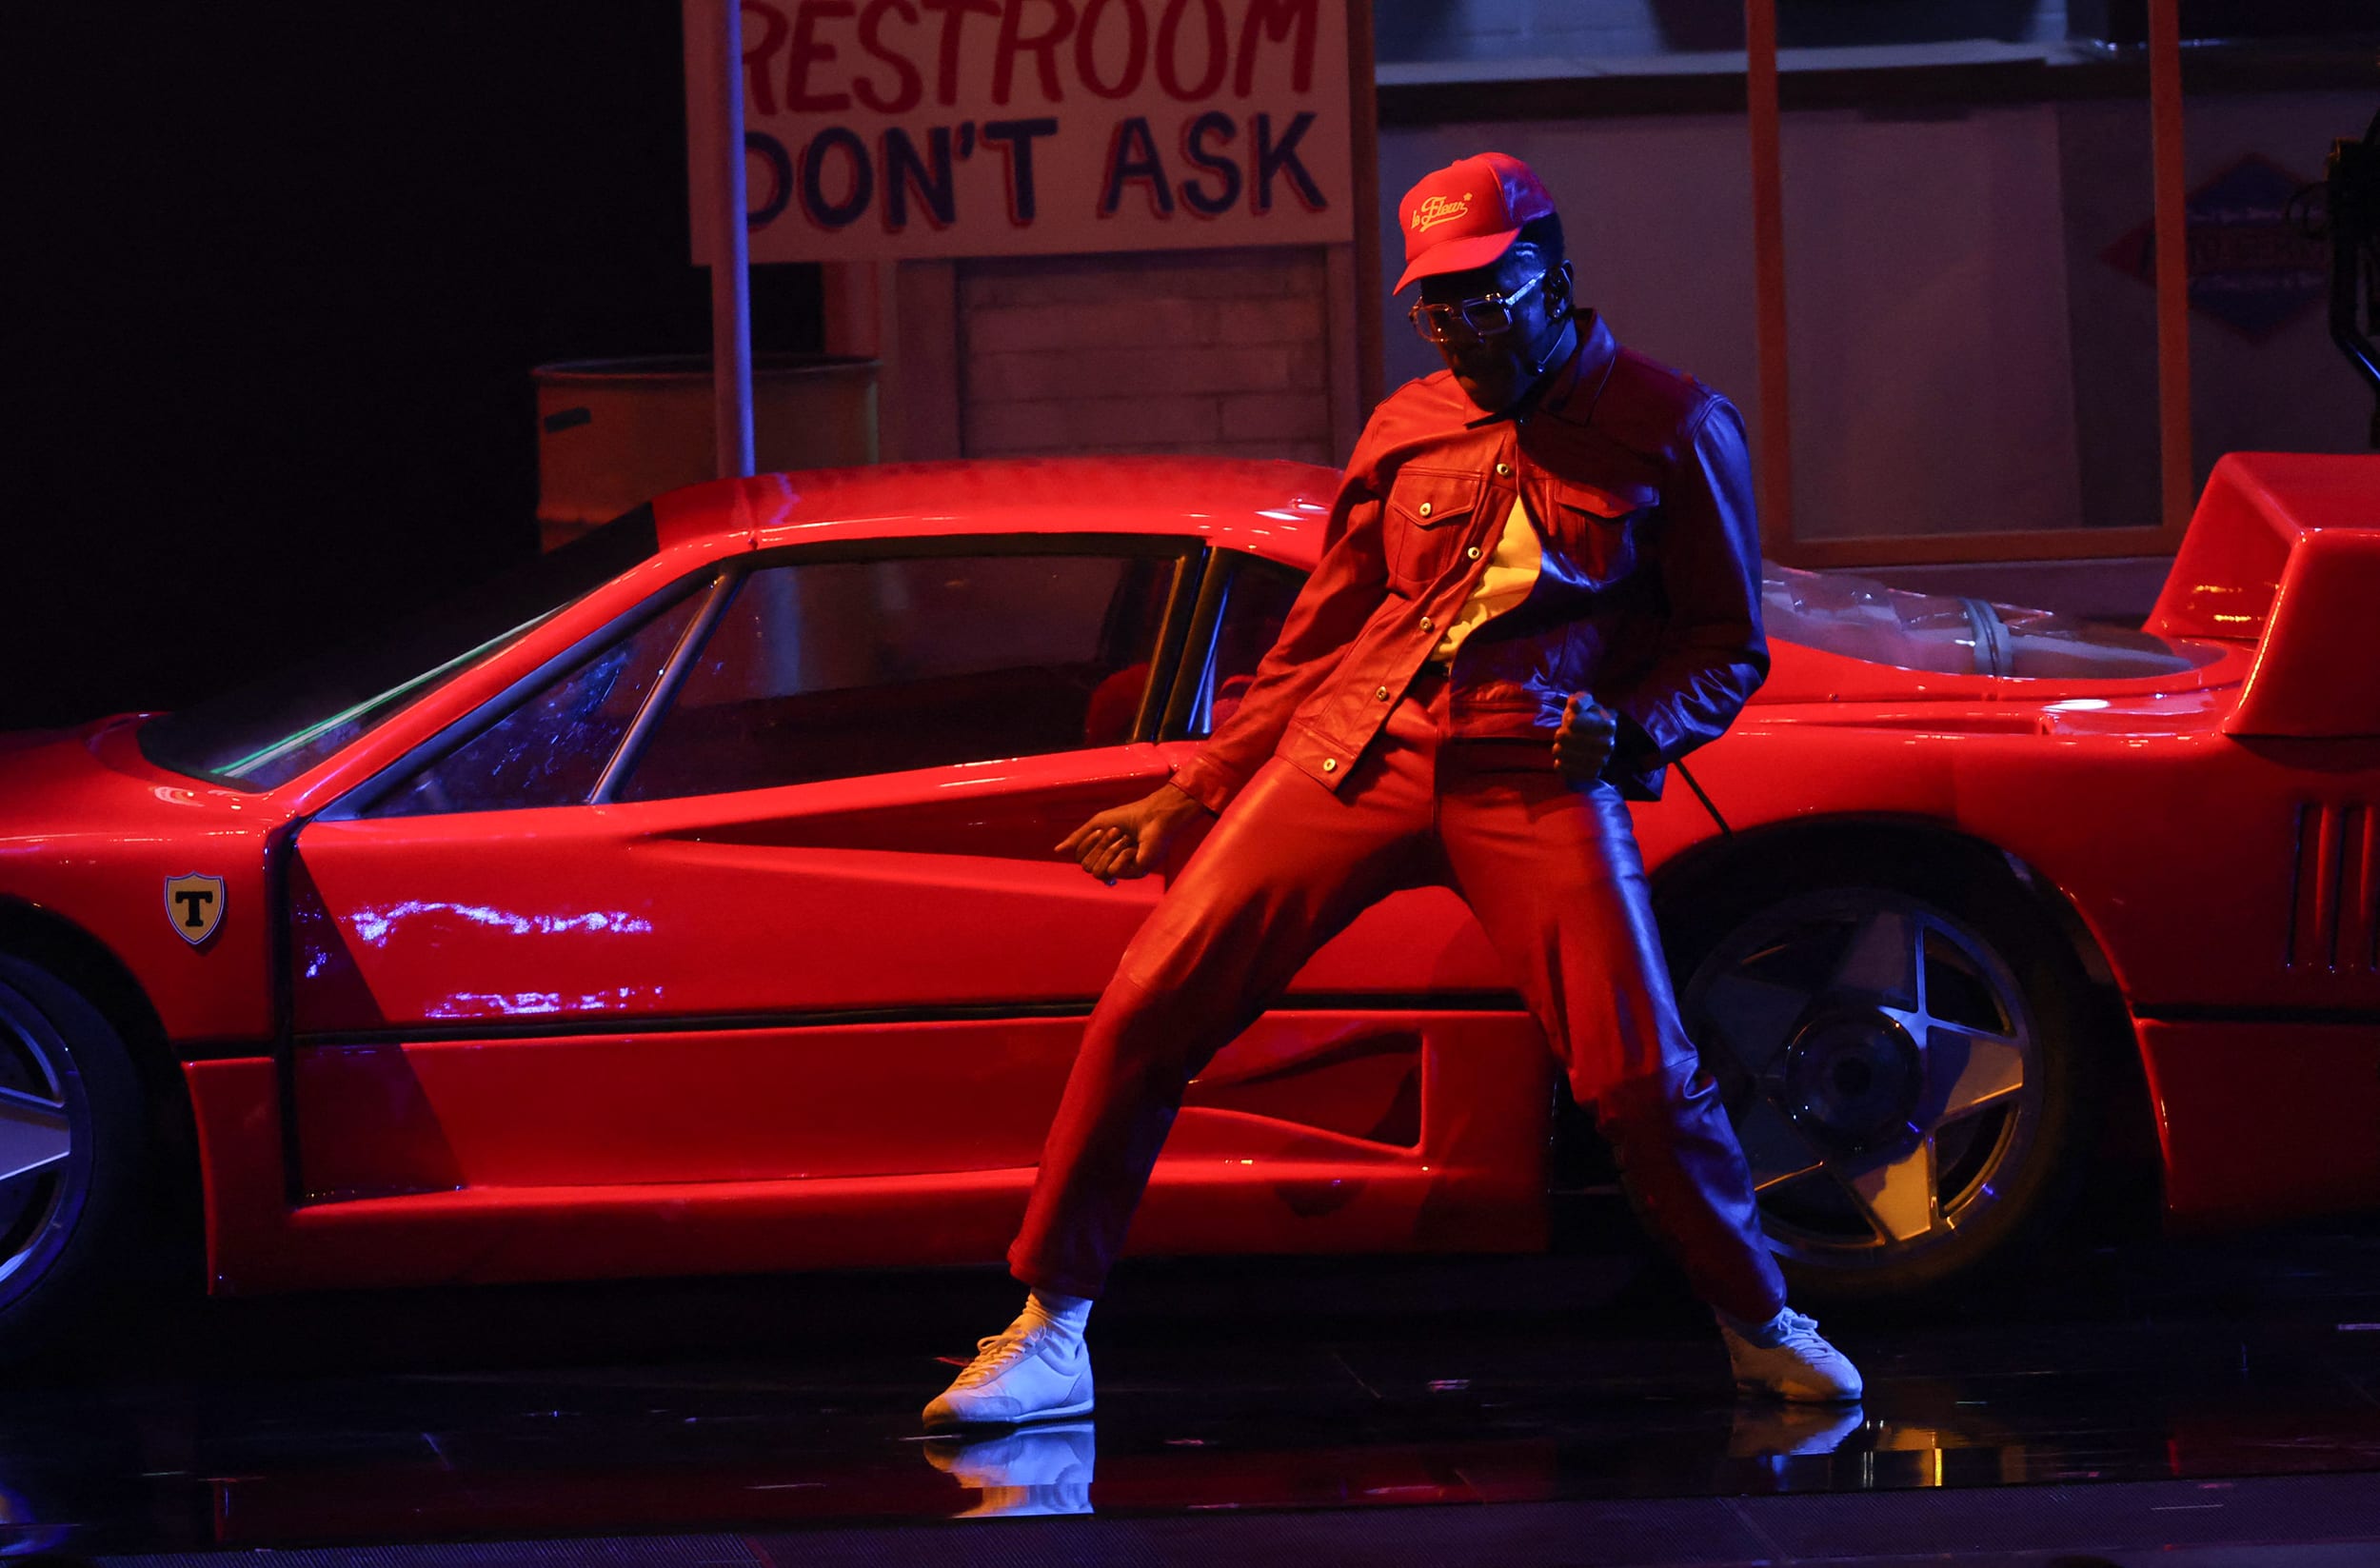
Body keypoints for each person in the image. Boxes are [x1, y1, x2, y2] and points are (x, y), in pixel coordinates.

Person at [925, 151, 1861, 1428]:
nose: (1466, 327)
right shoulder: (1408, 424)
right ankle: (1051, 1326)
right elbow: (1317, 634)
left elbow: (1727, 643)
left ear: (1555, 277)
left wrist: (1635, 729)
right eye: (1438, 304)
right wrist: (1192, 794)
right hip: (1351, 753)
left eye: (1490, 296)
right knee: (1149, 1003)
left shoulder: (1671, 424)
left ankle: (1760, 1321)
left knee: (1638, 1076)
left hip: (1533, 774)